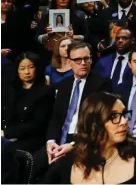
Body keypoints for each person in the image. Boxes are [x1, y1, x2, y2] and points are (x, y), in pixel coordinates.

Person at [33, 42, 112, 179]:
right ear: (69, 62)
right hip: (59, 139)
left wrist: (73, 145)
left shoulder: (102, 84)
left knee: (55, 171)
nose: (83, 63)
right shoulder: (64, 85)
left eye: (86, 59)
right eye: (78, 60)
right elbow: (56, 118)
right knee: (33, 163)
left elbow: (99, 122)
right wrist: (51, 141)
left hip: (84, 139)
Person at [44, 92, 136, 184]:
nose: (124, 121)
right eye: (114, 116)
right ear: (95, 124)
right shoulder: (67, 164)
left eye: (124, 114)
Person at [1, 52, 54, 153]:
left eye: (30, 67)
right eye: (22, 68)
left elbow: (37, 124)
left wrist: (6, 133)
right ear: (17, 71)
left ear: (37, 68)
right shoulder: (11, 89)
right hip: (8, 135)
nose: (27, 72)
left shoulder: (45, 91)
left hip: (31, 138)